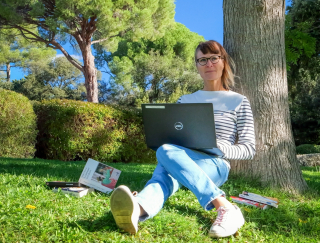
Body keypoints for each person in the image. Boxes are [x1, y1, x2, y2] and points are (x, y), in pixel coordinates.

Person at [110, 40, 256, 238]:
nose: (208, 64)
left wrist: (220, 147)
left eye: (214, 58)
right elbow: (175, 136)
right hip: (181, 156)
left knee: (165, 157)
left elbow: (248, 149)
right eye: (202, 60)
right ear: (196, 66)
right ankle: (138, 209)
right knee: (166, 153)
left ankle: (225, 207)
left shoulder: (238, 101)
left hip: (216, 164)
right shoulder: (186, 100)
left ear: (223, 62)